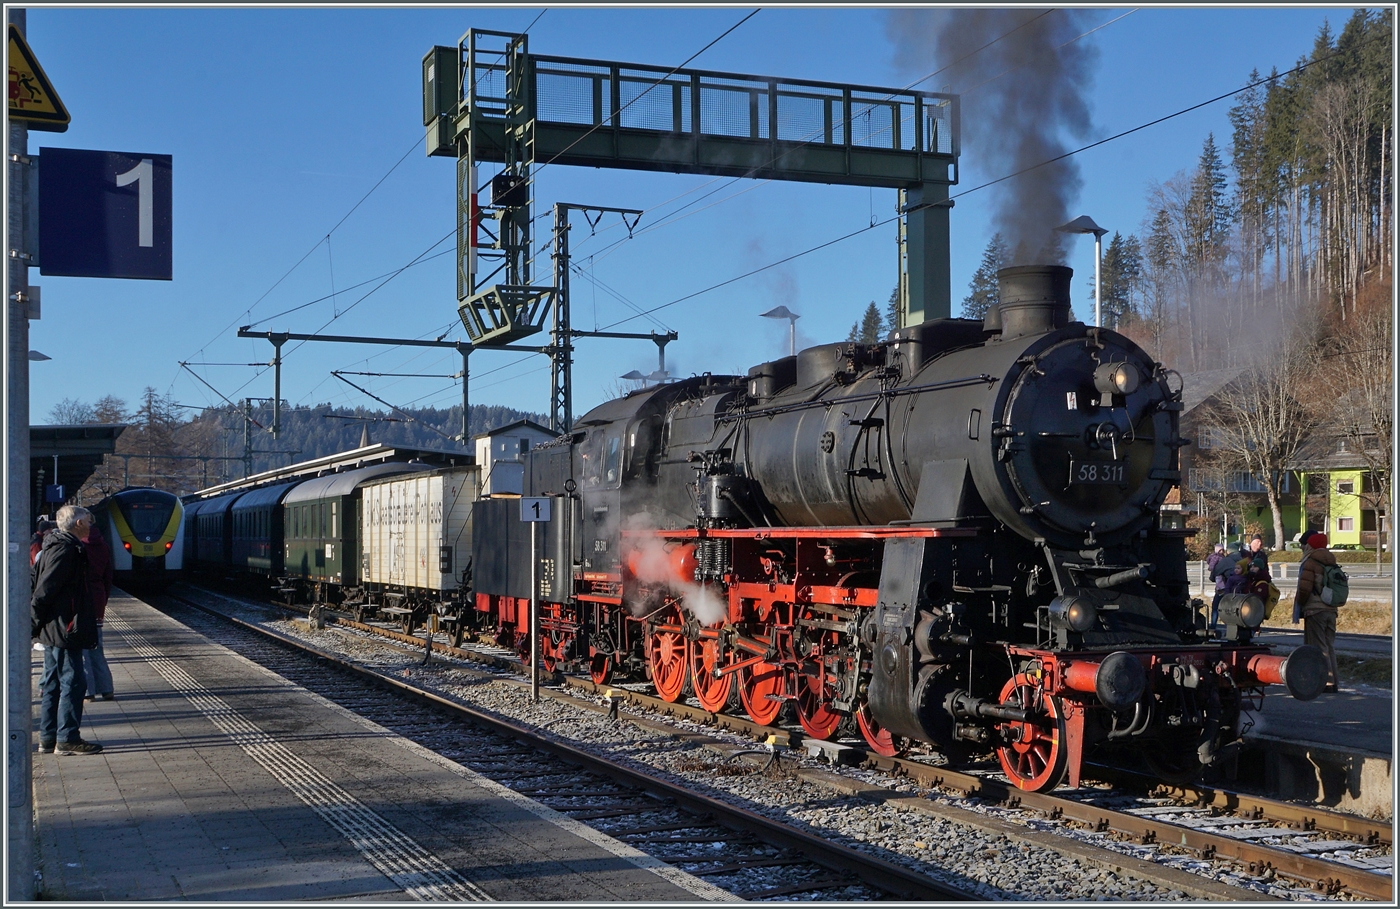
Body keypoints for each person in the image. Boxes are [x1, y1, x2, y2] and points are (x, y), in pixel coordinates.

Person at [31, 505, 103, 755]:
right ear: (78, 523)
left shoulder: (52, 545)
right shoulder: (67, 549)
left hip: (55, 627)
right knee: (73, 682)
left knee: (52, 682)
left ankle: (48, 737)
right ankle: (67, 738)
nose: (90, 525)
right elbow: (46, 588)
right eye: (88, 521)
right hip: (65, 627)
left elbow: (35, 581)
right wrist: (32, 622)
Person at [1294, 531, 1340, 694]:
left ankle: (1325, 682)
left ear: (1310, 545)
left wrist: (1300, 604)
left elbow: (1304, 588)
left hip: (1315, 610)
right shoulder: (1331, 561)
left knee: (1318, 647)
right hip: (1331, 609)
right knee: (1329, 646)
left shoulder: (1311, 562)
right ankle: (1334, 681)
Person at [81, 522, 116, 702]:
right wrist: (103, 599)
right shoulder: (103, 546)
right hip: (98, 598)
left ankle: (89, 691)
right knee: (97, 647)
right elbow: (108, 578)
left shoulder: (78, 546)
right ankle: (107, 688)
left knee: (82, 649)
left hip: (81, 600)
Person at [1206, 543, 1228, 630]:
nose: (1222, 551)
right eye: (1221, 550)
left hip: (1219, 588)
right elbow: (1212, 565)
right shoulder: (1219, 558)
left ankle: (1213, 625)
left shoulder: (1216, 557)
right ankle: (1216, 625)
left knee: (1215, 607)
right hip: (1222, 586)